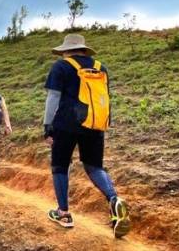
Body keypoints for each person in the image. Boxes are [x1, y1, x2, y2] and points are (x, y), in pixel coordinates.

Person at [43, 33, 131, 239]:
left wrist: (47, 125)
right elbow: (104, 99)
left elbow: (53, 97)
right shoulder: (101, 68)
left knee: (60, 165)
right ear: (84, 49)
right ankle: (114, 200)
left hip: (66, 124)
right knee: (94, 167)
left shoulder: (61, 66)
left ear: (65, 50)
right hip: (94, 123)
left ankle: (63, 213)